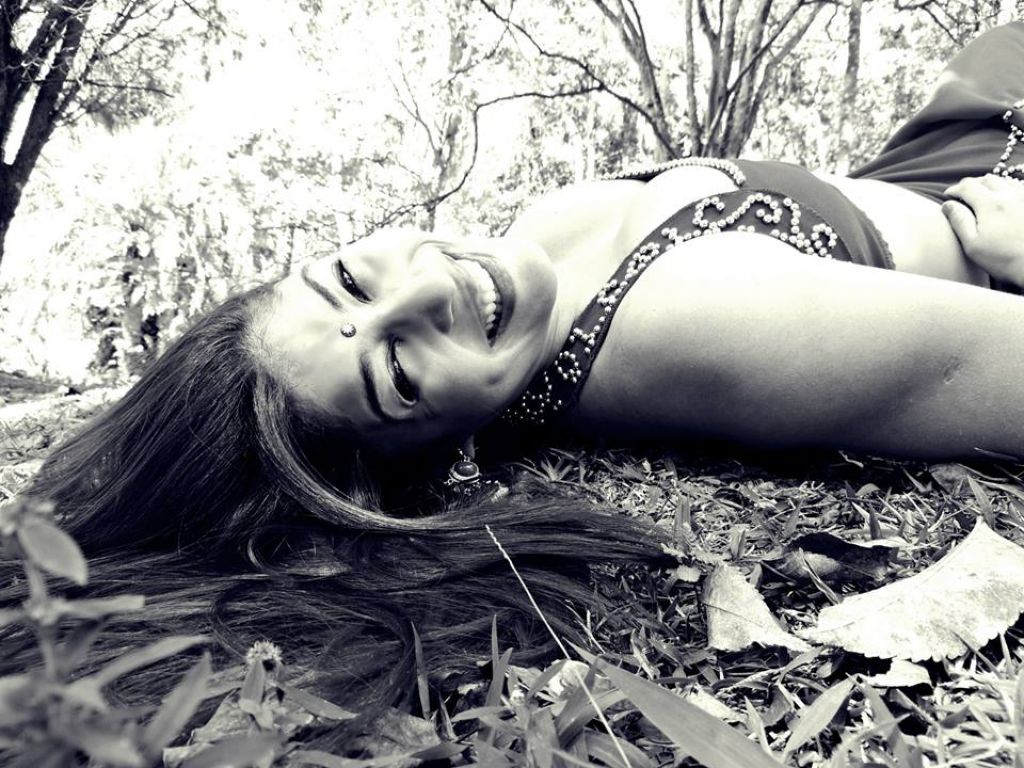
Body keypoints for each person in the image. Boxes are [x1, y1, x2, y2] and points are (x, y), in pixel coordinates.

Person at [9, 20, 1024, 731]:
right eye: (398, 372)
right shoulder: (698, 333)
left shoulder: (529, 277)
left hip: (941, 141)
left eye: (350, 279)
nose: (424, 290)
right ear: (424, 460)